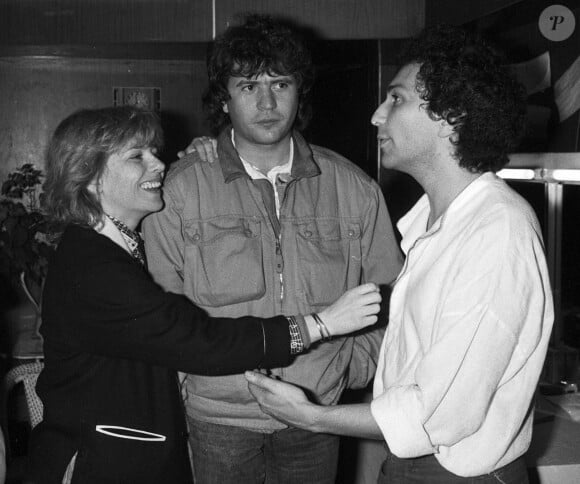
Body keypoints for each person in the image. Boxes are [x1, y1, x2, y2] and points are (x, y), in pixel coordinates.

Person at [245, 24, 554, 484]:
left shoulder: (498, 231)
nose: (377, 115)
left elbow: (436, 412)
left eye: (397, 99)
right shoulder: (435, 222)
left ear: (452, 116)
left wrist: (312, 417)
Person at [25, 106, 382, 484]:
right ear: (91, 178)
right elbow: (198, 340)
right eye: (136, 157)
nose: (159, 165)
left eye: (153, 152)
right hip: (100, 463)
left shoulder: (111, 247)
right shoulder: (94, 267)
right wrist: (319, 325)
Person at [142, 14, 403, 484]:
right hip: (218, 419)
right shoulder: (179, 191)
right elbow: (163, 313)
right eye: (247, 86)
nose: (266, 102)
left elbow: (394, 300)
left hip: (316, 414)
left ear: (299, 91)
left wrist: (345, 370)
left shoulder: (353, 187)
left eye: (280, 84)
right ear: (224, 97)